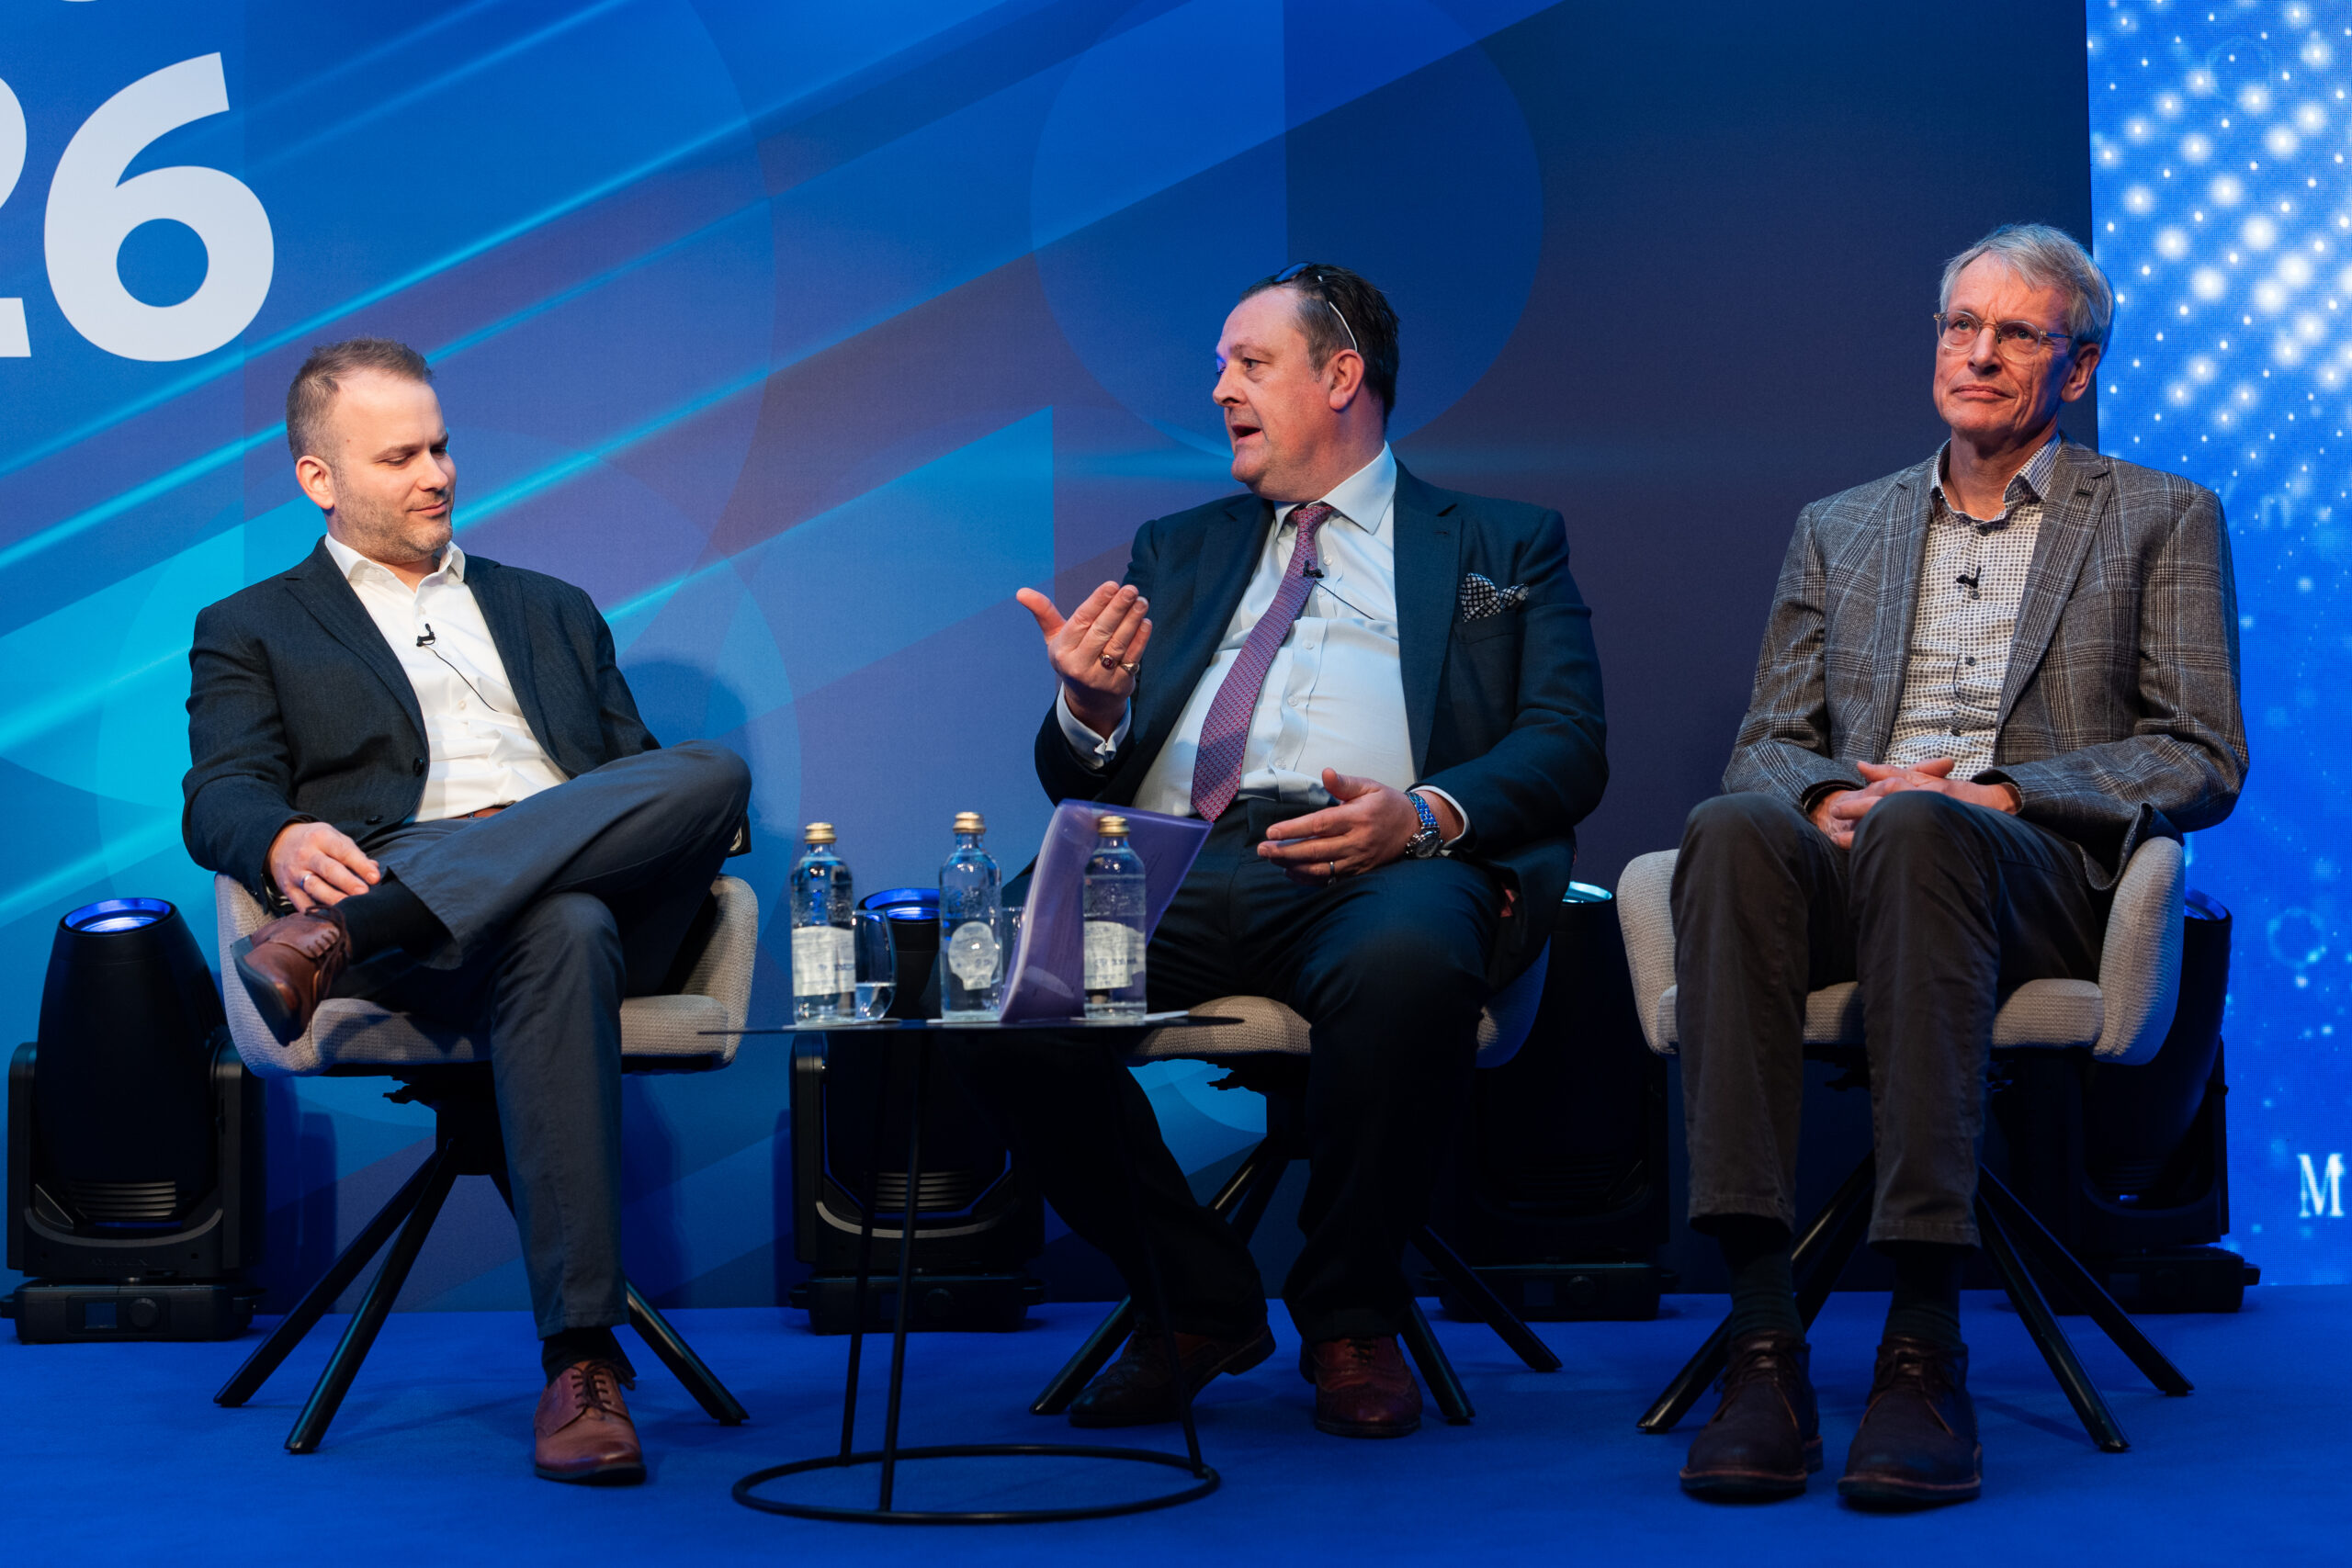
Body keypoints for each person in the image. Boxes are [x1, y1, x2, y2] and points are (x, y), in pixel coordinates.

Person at [1670, 224, 2246, 1506]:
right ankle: (1760, 1344)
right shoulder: (1840, 525)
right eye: (1960, 326)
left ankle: (1925, 1344)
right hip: (1858, 849)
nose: (1978, 353)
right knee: (1729, 827)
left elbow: (2200, 751)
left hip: (2030, 873)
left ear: (2076, 369)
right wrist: (1831, 796)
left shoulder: (2160, 515)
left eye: (2017, 333)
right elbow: (1768, 740)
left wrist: (2000, 791)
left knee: (1927, 827)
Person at [994, 265, 1608, 1438]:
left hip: (1378, 859)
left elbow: (1566, 742)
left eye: (1249, 363)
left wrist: (1419, 815)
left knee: (1409, 966)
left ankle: (1351, 1315)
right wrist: (1092, 710)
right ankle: (1194, 1299)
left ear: (1340, 377)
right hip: (1171, 854)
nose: (1219, 387)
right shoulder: (1179, 547)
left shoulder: (1502, 543)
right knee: (996, 985)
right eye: (1221, 366)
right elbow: (1080, 776)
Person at [182, 339, 751, 1485]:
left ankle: (344, 936)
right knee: (561, 925)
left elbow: (636, 787)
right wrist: (280, 839)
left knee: (712, 773)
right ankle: (581, 1359)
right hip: (436, 917)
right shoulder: (253, 625)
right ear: (318, 478)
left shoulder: (554, 609)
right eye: (399, 457)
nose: (437, 474)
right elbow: (221, 794)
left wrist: (534, 839)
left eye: (440, 447)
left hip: (533, 902)